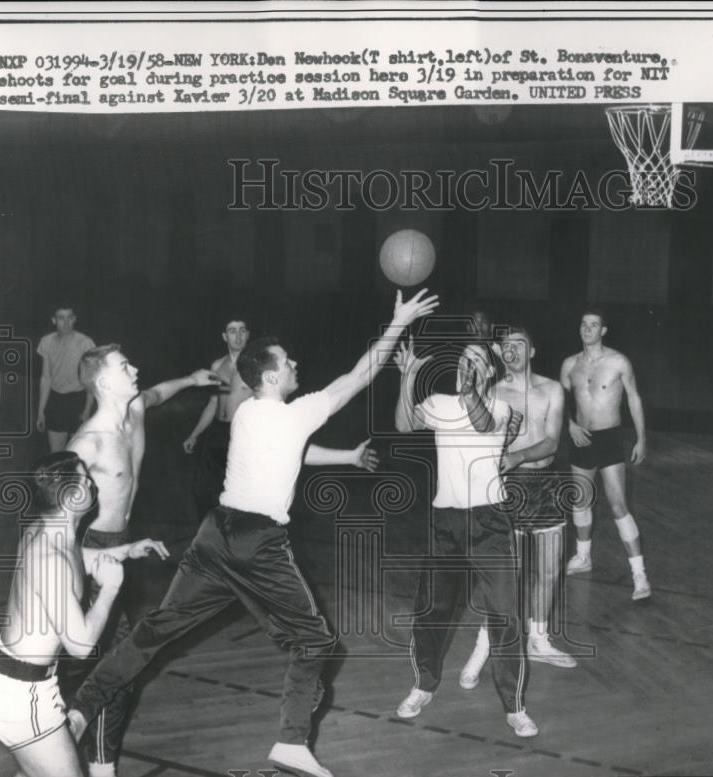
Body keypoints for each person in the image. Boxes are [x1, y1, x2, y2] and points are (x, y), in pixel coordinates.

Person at [67, 289, 439, 777]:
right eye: (287, 362)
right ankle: (290, 741)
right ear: (271, 376)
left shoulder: (247, 415)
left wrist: (346, 457)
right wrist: (396, 324)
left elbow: (290, 453)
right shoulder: (294, 414)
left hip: (214, 535)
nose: (295, 364)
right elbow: (359, 376)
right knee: (316, 641)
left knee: (156, 629)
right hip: (258, 543)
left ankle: (79, 708)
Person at [65, 345, 221, 777]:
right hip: (93, 551)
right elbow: (50, 531)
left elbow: (155, 394)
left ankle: (96, 762)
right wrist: (91, 559)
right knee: (108, 663)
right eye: (124, 366)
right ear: (102, 382)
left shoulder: (133, 409)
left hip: (124, 544)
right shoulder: (87, 444)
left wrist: (192, 380)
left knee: (115, 664)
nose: (135, 369)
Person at [393, 337, 539, 738]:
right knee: (431, 611)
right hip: (446, 523)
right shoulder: (439, 403)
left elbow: (482, 424)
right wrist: (408, 379)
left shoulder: (500, 408)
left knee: (505, 615)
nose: (467, 366)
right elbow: (405, 424)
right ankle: (423, 685)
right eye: (463, 360)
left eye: (476, 361)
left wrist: (472, 389)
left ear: (490, 373)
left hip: (489, 524)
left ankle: (514, 707)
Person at [0, 451, 166, 777]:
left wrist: (125, 551)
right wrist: (111, 589)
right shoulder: (50, 558)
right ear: (72, 496)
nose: (92, 484)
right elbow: (80, 645)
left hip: (17, 683)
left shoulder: (49, 531)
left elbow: (79, 561)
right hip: (23, 695)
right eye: (86, 479)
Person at [458, 326, 575, 692]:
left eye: (518, 346)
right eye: (505, 347)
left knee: (549, 569)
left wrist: (518, 453)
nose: (511, 352)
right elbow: (482, 439)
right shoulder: (493, 392)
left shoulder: (553, 389)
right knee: (507, 576)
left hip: (547, 485)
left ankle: (538, 639)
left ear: (533, 350)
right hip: (509, 487)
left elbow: (552, 442)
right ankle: (484, 646)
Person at [560, 309, 651, 600]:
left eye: (594, 325)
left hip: (610, 438)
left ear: (604, 330)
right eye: (583, 324)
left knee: (617, 505)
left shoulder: (618, 361)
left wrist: (641, 438)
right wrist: (570, 425)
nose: (587, 329)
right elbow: (560, 400)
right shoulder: (569, 365)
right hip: (581, 438)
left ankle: (639, 575)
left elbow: (634, 398)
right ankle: (583, 556)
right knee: (581, 499)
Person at [183, 317, 252, 517]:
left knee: (238, 491)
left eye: (242, 330)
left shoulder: (256, 366)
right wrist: (194, 434)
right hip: (216, 433)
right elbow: (213, 403)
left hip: (242, 433)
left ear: (248, 335)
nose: (238, 336)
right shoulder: (217, 366)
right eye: (232, 331)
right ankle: (208, 538)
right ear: (224, 336)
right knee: (203, 490)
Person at [36, 305, 96, 452]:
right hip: (56, 401)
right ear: (54, 320)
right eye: (61, 318)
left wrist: (87, 409)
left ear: (74, 319)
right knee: (56, 455)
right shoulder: (46, 342)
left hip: (78, 401)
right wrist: (41, 411)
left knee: (76, 454)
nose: (66, 322)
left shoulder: (86, 343)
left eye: (70, 317)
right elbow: (46, 378)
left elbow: (91, 381)